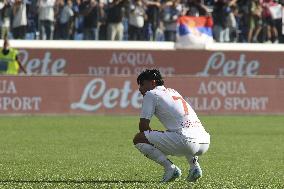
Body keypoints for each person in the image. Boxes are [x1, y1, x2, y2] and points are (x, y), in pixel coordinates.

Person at [133, 69, 210, 182]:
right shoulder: (173, 92)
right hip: (205, 141)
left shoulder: (151, 94)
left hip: (186, 142)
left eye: (142, 84)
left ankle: (170, 168)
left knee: (139, 138)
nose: (140, 88)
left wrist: (155, 143)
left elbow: (143, 127)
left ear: (153, 82)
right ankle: (195, 167)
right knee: (179, 131)